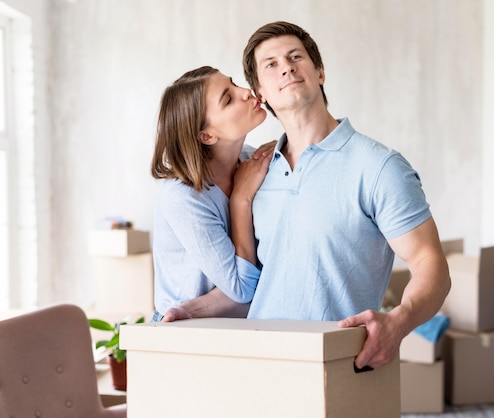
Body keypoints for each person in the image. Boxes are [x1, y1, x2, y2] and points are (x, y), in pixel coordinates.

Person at [166, 21, 451, 371]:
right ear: (260, 92)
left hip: (341, 368)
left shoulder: (379, 167)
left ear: (320, 72)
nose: (285, 66)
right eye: (270, 64)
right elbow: (256, 286)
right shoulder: (255, 173)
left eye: (295, 56)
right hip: (259, 369)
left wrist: (400, 321)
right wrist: (187, 311)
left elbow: (430, 265)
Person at [150, 65, 273, 322]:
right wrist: (240, 199)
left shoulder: (253, 161)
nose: (246, 92)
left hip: (234, 325)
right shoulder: (183, 197)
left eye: (234, 84)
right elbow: (242, 288)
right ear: (207, 135)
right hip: (181, 330)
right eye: (228, 99)